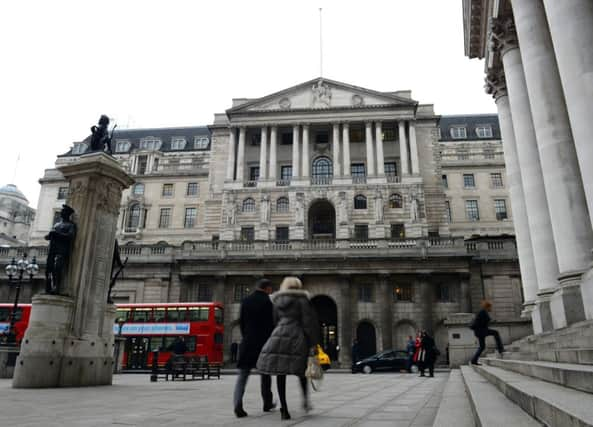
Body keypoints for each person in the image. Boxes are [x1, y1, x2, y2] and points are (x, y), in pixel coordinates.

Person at [257, 277, 319, 420]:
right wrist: (313, 344)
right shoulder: (303, 300)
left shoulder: (277, 301)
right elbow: (308, 323)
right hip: (298, 336)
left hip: (279, 334)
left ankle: (284, 409)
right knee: (302, 371)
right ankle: (305, 401)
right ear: (298, 286)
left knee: (280, 372)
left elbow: (275, 321)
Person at [233, 278, 276, 418]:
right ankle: (267, 403)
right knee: (265, 375)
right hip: (263, 344)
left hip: (247, 342)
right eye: (271, 288)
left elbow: (242, 323)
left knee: (242, 377)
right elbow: (271, 325)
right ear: (267, 288)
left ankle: (238, 405)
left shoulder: (245, 301)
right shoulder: (268, 302)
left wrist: (247, 336)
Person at [470, 300, 505, 365]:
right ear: (487, 307)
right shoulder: (483, 312)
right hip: (481, 331)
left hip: (479, 332)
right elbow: (485, 322)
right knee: (496, 332)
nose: (491, 309)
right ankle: (500, 349)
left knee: (482, 346)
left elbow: (483, 322)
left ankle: (474, 360)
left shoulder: (482, 312)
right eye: (490, 307)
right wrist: (492, 321)